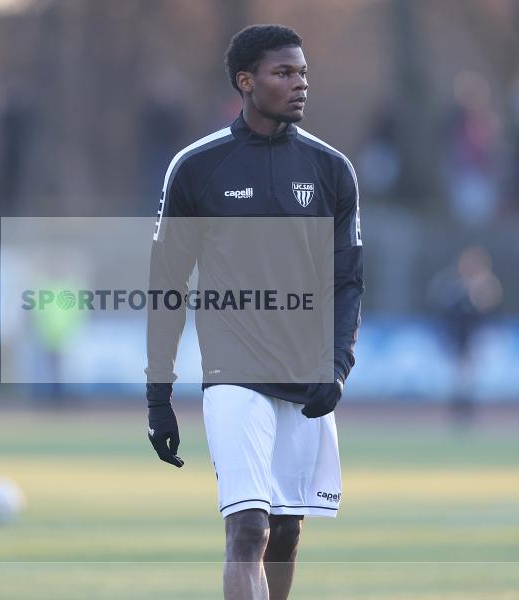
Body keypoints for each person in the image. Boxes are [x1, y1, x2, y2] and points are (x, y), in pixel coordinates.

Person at [144, 25, 364, 600]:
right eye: (284, 73)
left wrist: (337, 365)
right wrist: (157, 396)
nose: (300, 85)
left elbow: (347, 282)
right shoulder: (196, 167)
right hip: (232, 373)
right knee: (248, 528)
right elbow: (167, 283)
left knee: (287, 533)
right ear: (246, 82)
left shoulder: (333, 171)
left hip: (307, 373)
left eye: (304, 74)